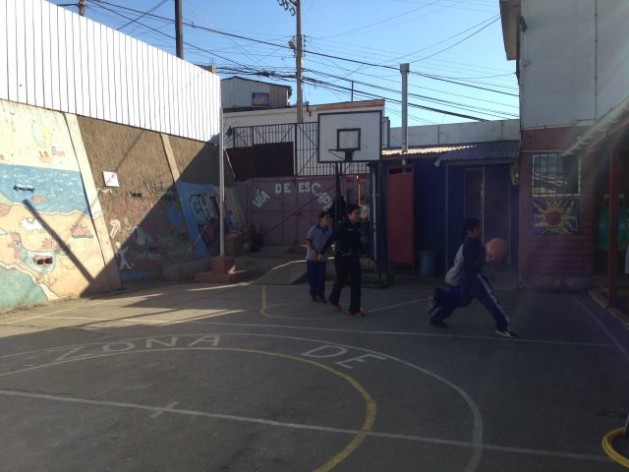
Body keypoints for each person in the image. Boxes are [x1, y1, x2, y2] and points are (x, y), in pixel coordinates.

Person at [429, 217, 518, 338]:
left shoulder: (475, 241)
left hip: (467, 278)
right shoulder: (468, 244)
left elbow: (478, 256)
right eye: (477, 229)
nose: (480, 230)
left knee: (462, 301)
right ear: (469, 231)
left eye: (479, 228)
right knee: (491, 300)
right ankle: (503, 327)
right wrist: (486, 260)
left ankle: (440, 297)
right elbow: (471, 263)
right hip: (474, 277)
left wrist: (490, 251)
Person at [319, 204, 368, 317]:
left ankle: (354, 309)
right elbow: (331, 239)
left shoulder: (357, 225)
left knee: (356, 282)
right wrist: (321, 252)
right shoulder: (342, 226)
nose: (358, 216)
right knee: (341, 280)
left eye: (358, 213)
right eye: (356, 213)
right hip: (341, 258)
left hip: (353, 257)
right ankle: (333, 299)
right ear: (349, 214)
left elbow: (357, 241)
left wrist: (364, 253)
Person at [305, 211, 332, 302]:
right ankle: (313, 293)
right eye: (326, 217)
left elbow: (329, 243)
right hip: (312, 258)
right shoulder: (314, 229)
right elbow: (309, 241)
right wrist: (315, 253)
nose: (328, 219)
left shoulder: (329, 230)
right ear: (321, 219)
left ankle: (321, 294)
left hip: (323, 258)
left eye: (329, 217)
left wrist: (331, 251)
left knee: (321, 277)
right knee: (313, 276)